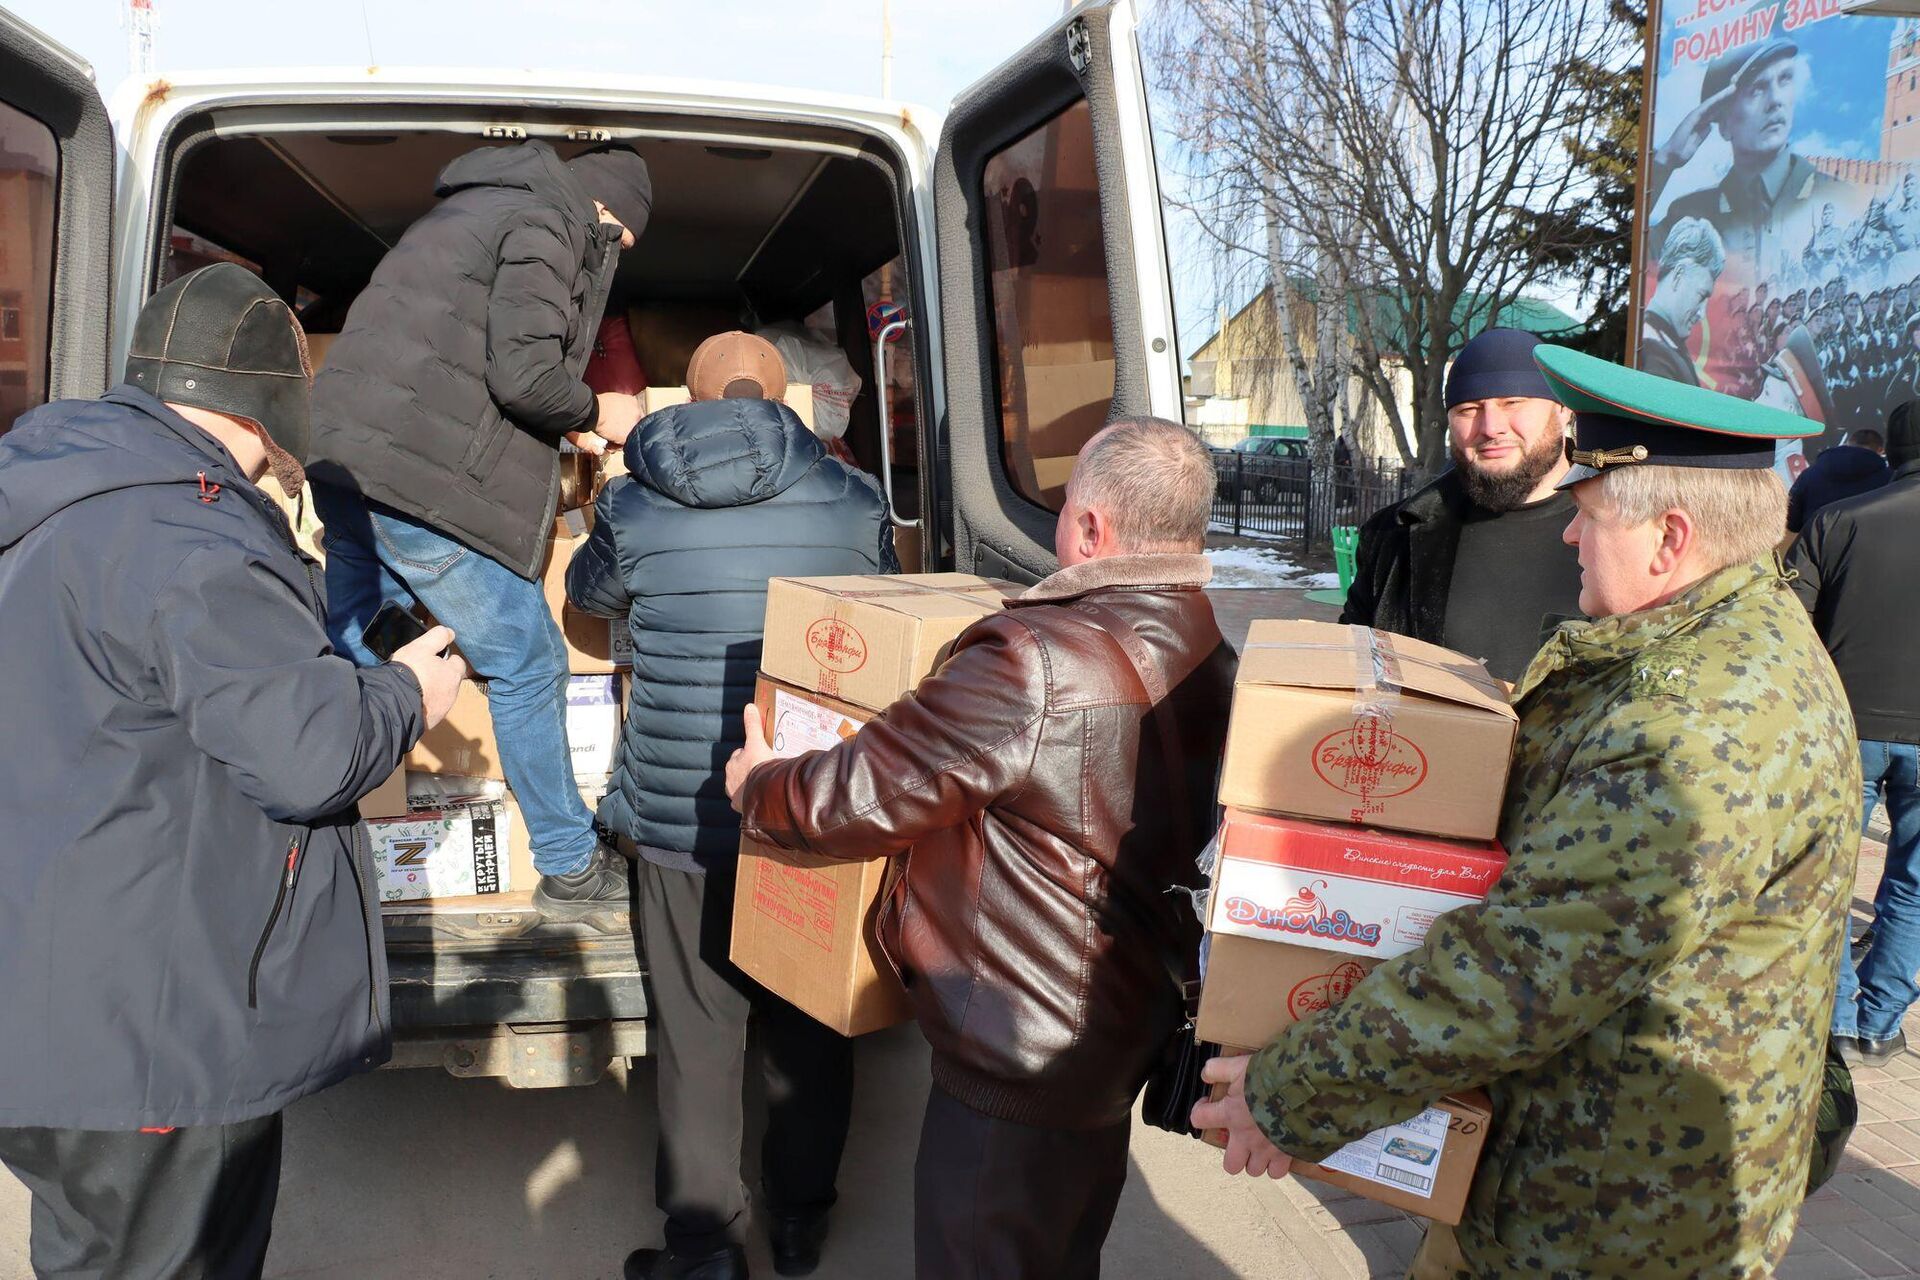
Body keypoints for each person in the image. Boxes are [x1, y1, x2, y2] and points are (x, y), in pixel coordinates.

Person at [1198, 347, 1859, 1279]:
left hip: (1611, 1222)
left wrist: (1288, 1096)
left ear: (1670, 541)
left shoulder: (1697, 728)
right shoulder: (1699, 651)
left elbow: (1516, 974)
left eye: (1587, 516)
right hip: (1575, 1177)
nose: (1566, 537)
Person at [0, 264, 467, 1276]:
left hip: (48, 1005)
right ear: (267, 405)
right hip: (152, 1036)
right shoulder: (189, 535)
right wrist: (404, 695)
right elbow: (309, 755)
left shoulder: (56, 494)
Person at [726, 418, 1234, 1280]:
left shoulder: (1035, 659)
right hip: (1111, 1034)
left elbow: (855, 798)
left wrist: (758, 783)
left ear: (1092, 530)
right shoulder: (1204, 639)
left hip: (1021, 1057)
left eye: (1066, 504)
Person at [567, 332, 893, 1280]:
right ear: (783, 399)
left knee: (699, 1044)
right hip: (809, 812)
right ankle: (800, 1225)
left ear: (691, 398)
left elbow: (591, 597)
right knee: (809, 1034)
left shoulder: (632, 500)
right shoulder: (853, 494)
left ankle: (705, 1247)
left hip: (680, 829)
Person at [304, 140, 655, 915]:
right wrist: (600, 410)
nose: (616, 256)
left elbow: (465, 362)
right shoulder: (551, 221)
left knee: (366, 629)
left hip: (342, 454)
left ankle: (336, 817)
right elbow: (524, 372)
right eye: (621, 240)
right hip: (420, 478)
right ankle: (568, 865)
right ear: (604, 209)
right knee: (528, 661)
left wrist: (569, 426)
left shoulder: (473, 207)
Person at [1788, 402, 1920, 1068]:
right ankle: (1878, 1023)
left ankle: (1837, 1021)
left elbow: (1788, 632)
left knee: (1829, 876)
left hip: (1848, 728)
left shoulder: (1837, 520)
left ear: (1890, 450)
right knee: (1917, 884)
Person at [1341, 328, 1583, 683]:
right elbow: (1351, 675)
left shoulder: (1626, 530)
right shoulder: (1393, 537)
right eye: (1468, 410)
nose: (1491, 427)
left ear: (1563, 409)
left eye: (1512, 402)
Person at [1650, 39, 1852, 268]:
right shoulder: (1691, 216)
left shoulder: (1840, 199)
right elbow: (1635, 257)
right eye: (1757, 89)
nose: (1776, 101)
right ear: (1723, 123)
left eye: (1785, 79)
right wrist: (1665, 161)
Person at [1640, 217, 1725, 387]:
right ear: (1678, 275)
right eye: (1701, 296)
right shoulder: (1654, 351)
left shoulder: (1663, 341)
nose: (1701, 313)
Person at [1787, 426, 1889, 533]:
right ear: (1881, 450)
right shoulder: (1888, 478)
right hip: (1867, 543)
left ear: (1848, 444)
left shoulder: (1810, 474)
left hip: (1818, 544)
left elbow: (1793, 522)